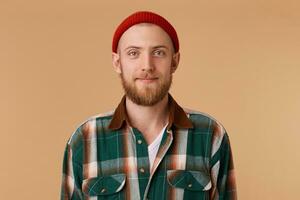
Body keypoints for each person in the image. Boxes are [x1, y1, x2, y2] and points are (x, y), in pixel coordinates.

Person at [61, 11, 237, 200]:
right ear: (117, 62)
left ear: (175, 61)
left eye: (158, 52)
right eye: (133, 53)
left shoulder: (211, 135)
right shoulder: (85, 139)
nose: (147, 65)